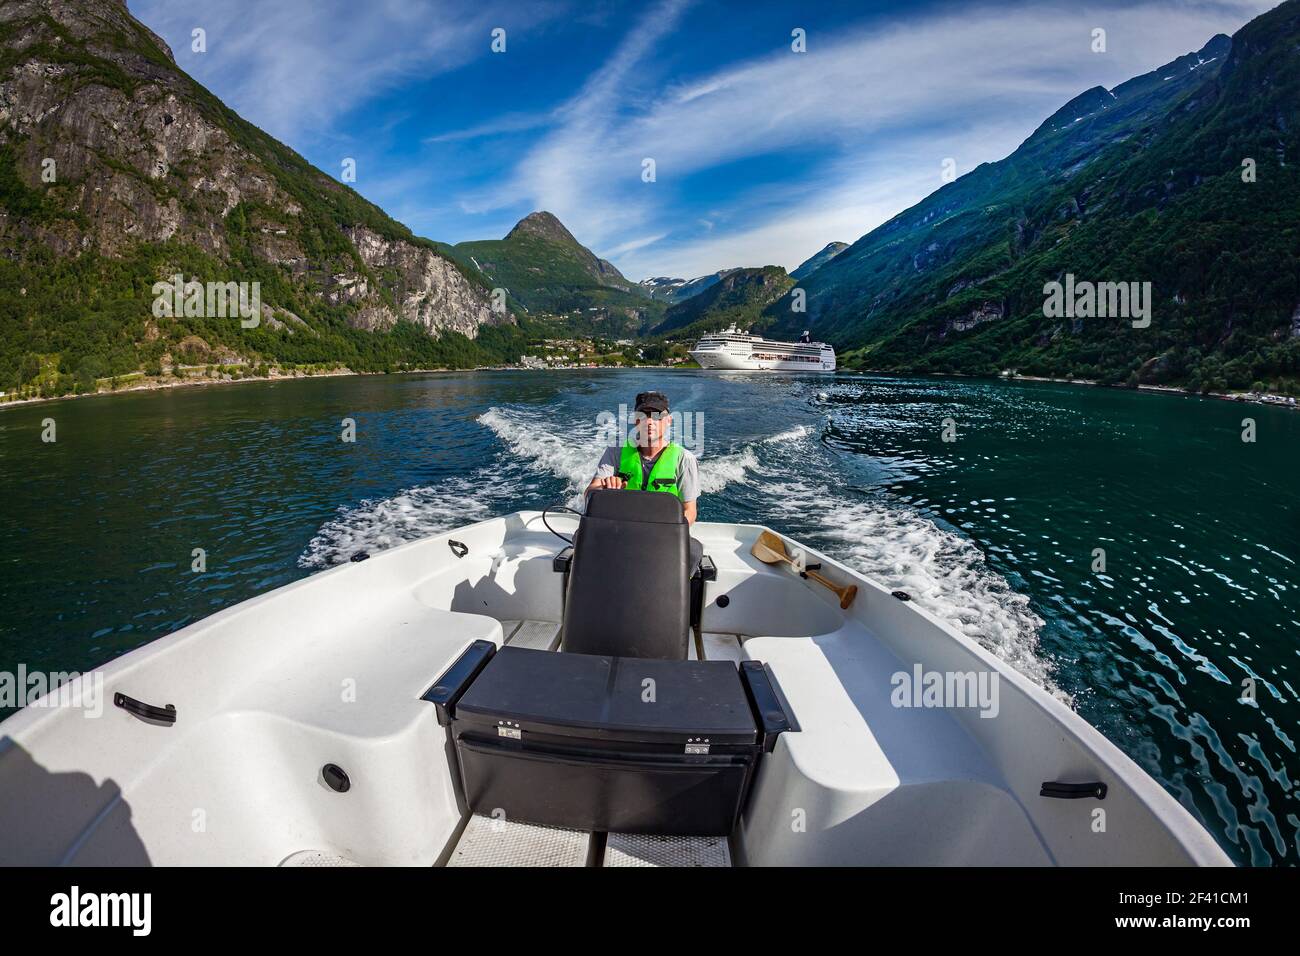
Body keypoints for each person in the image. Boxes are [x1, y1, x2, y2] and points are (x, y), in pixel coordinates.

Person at [587, 390, 700, 525]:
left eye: (657, 416)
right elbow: (589, 493)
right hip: (621, 526)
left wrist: (672, 532)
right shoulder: (614, 452)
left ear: (669, 420)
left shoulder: (685, 459)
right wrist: (603, 490)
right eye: (644, 416)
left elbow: (690, 511)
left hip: (665, 529)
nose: (650, 422)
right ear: (636, 421)